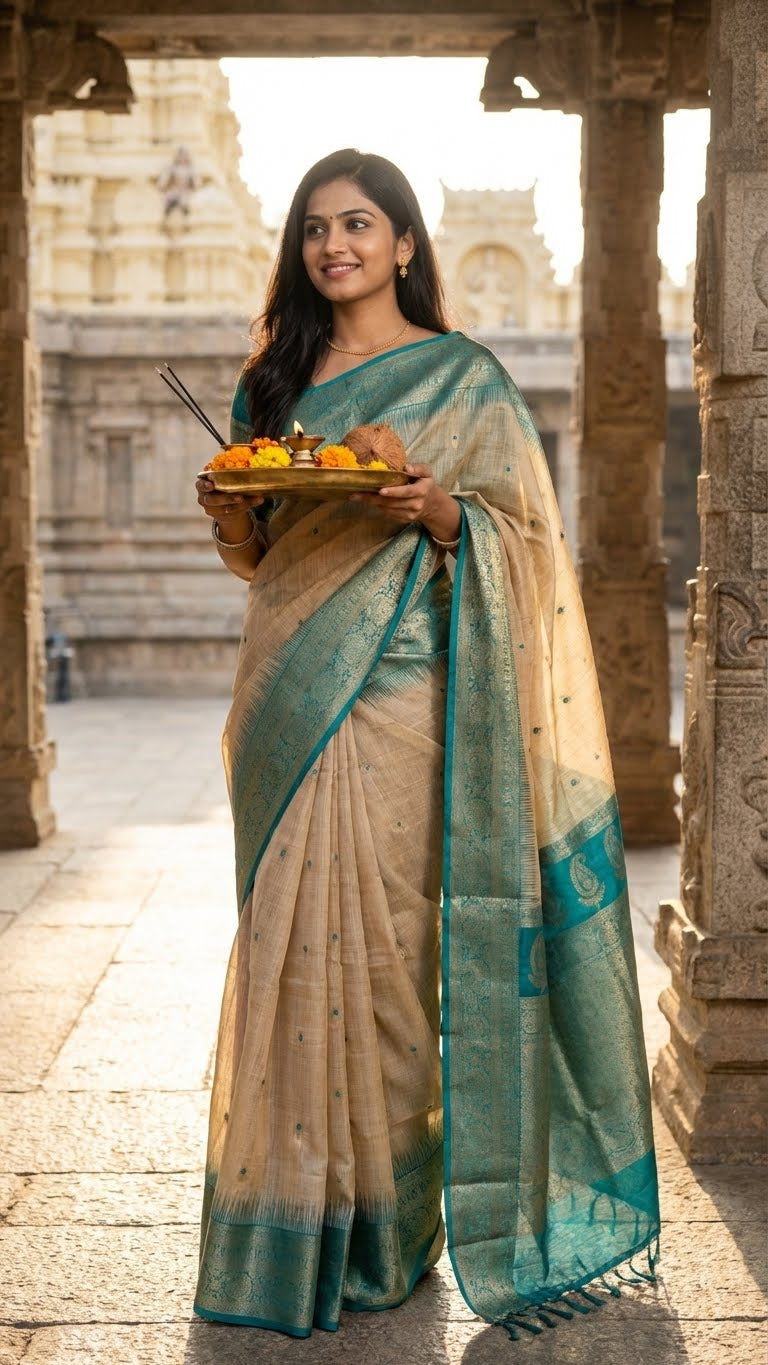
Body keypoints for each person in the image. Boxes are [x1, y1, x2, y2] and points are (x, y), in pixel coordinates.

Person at [192, 148, 660, 1342]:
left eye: (357, 224)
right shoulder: (275, 380)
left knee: (391, 961)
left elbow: (526, 548)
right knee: (288, 945)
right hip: (286, 693)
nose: (332, 246)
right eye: (313, 229)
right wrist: (233, 514)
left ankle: (386, 1232)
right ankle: (283, 1230)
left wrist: (444, 511)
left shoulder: (467, 380)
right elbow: (257, 561)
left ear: (406, 243)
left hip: (406, 691)